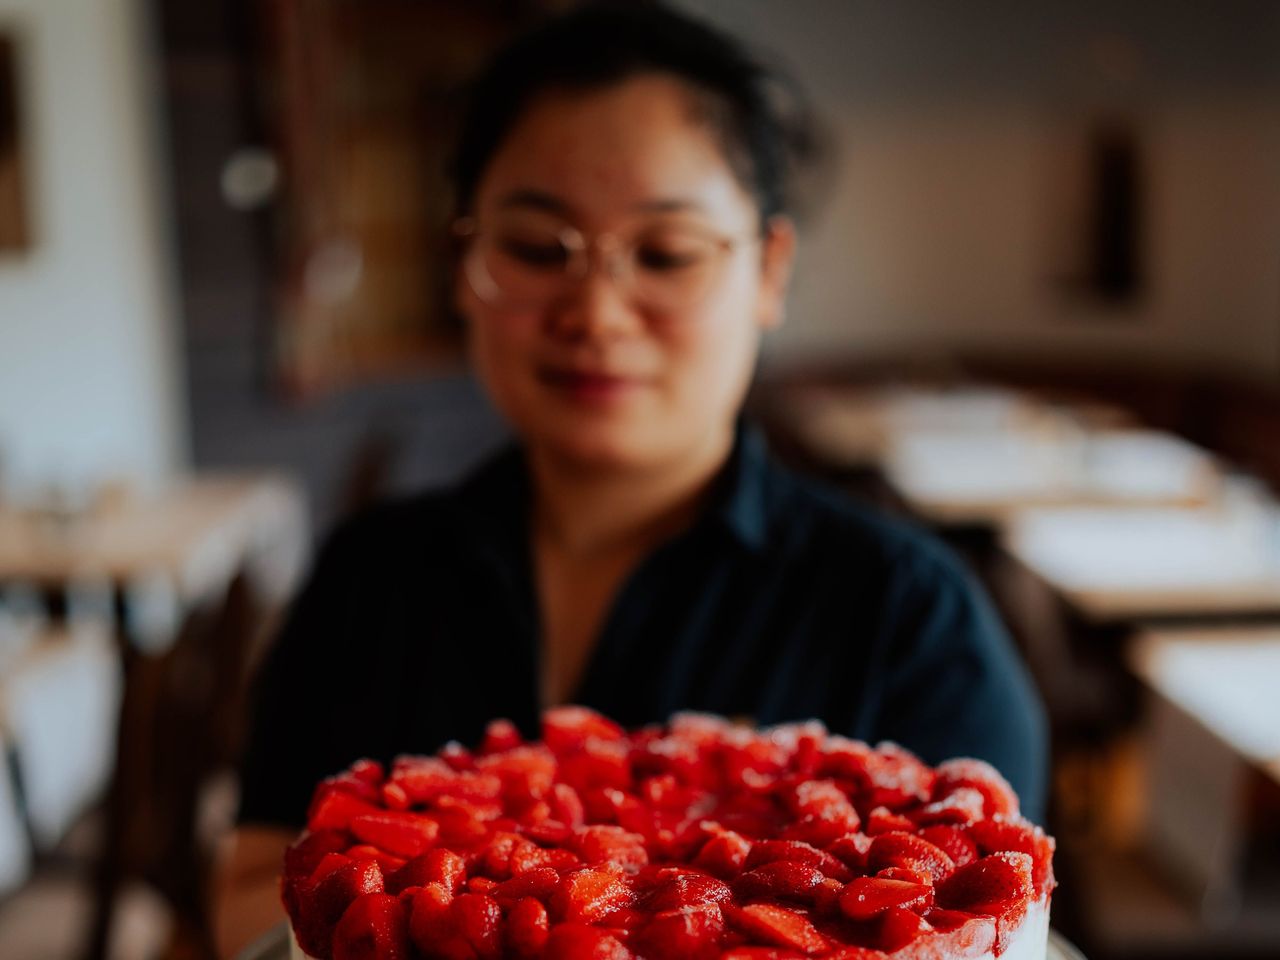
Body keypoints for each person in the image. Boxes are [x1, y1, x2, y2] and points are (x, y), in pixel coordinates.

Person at [213, 3, 1047, 955]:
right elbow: (251, 880)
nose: (598, 311)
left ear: (769, 270)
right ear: (465, 260)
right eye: (536, 247)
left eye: (665, 253)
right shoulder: (369, 575)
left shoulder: (912, 618)